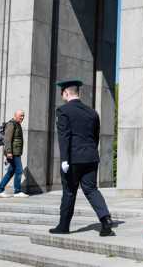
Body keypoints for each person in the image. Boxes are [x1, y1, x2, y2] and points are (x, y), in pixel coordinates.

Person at [49, 79, 114, 237]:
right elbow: (95, 136)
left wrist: (64, 159)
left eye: (62, 93)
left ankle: (63, 226)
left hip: (73, 160)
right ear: (78, 93)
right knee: (91, 190)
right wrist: (90, 151)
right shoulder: (92, 112)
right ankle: (105, 219)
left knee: (69, 192)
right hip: (91, 157)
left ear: (66, 93)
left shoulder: (63, 111)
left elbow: (64, 137)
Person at [0, 110, 29, 198]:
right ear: (15, 115)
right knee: (19, 170)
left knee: (10, 171)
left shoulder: (17, 124)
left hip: (15, 152)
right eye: (20, 116)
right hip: (13, 153)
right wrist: (9, 152)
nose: (22, 118)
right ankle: (17, 191)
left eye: (23, 116)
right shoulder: (11, 124)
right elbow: (7, 139)